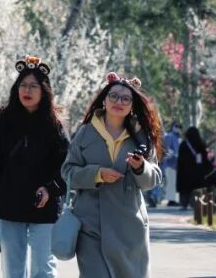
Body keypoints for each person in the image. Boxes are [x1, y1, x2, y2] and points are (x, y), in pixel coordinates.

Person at [62, 72, 163, 278]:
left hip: (129, 227)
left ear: (132, 105)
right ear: (104, 100)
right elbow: (68, 172)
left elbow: (153, 178)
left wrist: (140, 168)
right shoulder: (85, 132)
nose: (119, 102)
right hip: (90, 225)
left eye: (125, 99)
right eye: (114, 96)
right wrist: (97, 174)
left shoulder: (141, 136)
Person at [0, 56, 68, 278]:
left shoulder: (54, 124)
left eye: (33, 86)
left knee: (44, 269)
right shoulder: (3, 121)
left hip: (44, 206)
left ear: (44, 91)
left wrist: (51, 189)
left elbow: (65, 166)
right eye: (23, 85)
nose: (27, 90)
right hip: (9, 206)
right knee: (13, 269)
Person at [176, 126, 213, 209]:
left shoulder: (183, 144)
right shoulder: (200, 143)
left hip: (185, 172)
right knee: (198, 188)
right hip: (198, 171)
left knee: (185, 189)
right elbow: (205, 157)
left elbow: (180, 159)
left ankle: (184, 204)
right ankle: (197, 203)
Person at [160, 122, 181, 206]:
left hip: (176, 164)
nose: (178, 128)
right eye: (176, 126)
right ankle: (171, 200)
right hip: (169, 164)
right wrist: (175, 155)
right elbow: (167, 149)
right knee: (171, 183)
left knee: (174, 182)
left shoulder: (178, 137)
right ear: (173, 127)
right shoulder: (169, 136)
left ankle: (175, 199)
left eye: (179, 127)